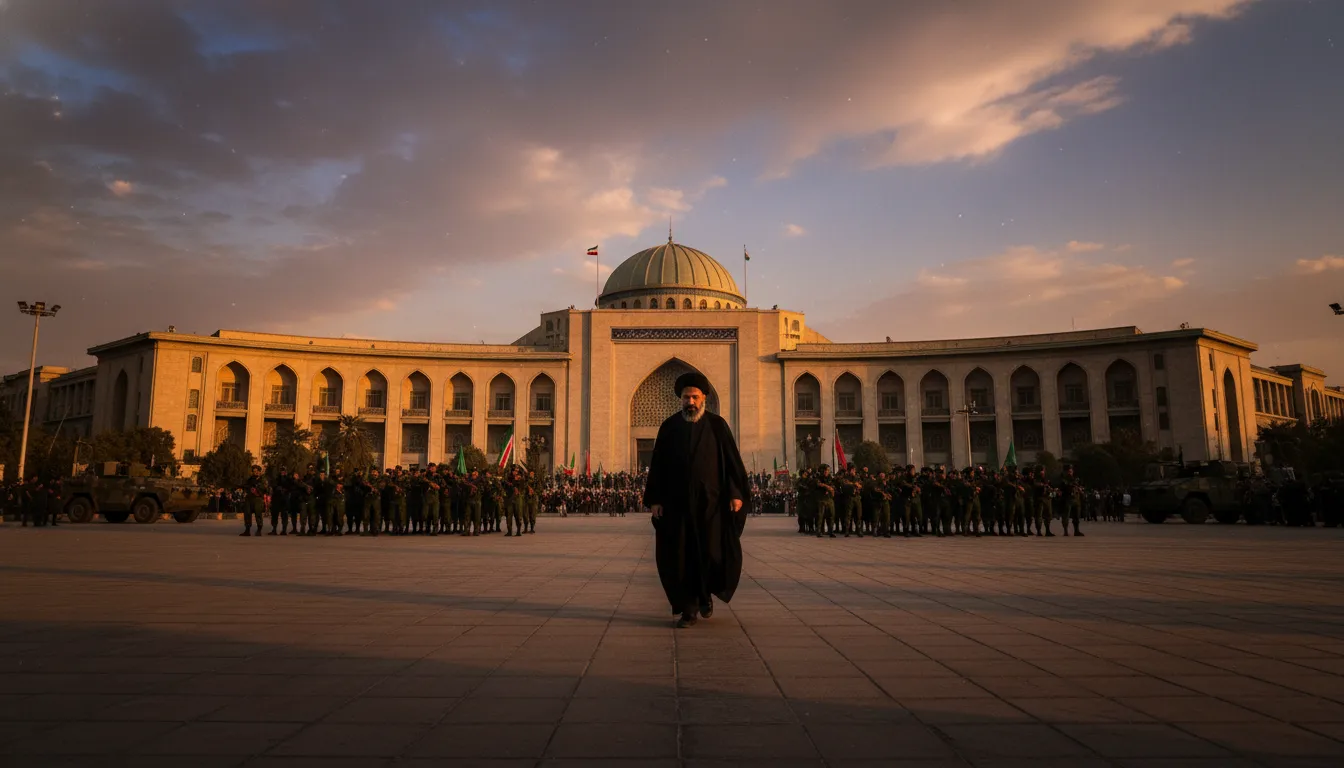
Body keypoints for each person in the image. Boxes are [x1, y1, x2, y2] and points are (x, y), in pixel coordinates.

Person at [643, 371, 751, 629]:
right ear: (680, 399)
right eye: (685, 397)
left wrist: (736, 494)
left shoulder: (717, 426)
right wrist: (655, 499)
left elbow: (733, 463)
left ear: (704, 398)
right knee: (682, 557)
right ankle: (689, 609)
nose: (689, 402)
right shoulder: (669, 427)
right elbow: (657, 466)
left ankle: (706, 597)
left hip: (710, 506)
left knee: (710, 554)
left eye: (694, 397)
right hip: (677, 506)